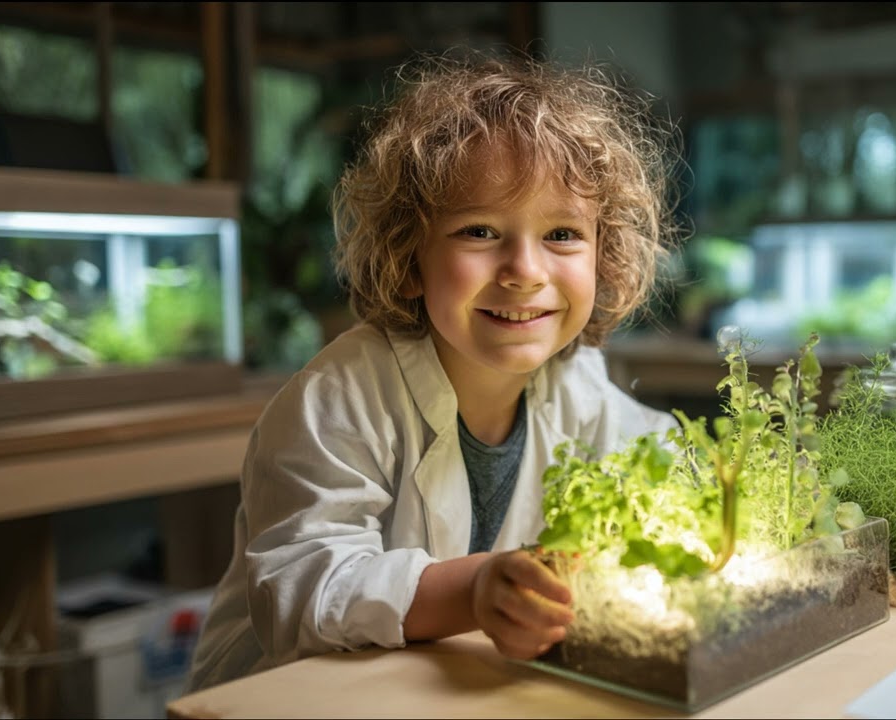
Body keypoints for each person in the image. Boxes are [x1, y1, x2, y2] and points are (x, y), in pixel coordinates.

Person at [186, 49, 686, 691]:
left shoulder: (576, 381)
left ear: (604, 254)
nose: (525, 271)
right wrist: (474, 589)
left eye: (562, 235)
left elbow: (666, 462)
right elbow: (301, 585)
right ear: (409, 255)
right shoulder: (341, 396)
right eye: (479, 231)